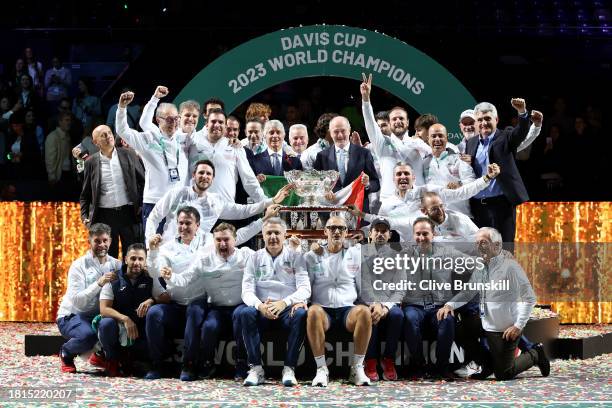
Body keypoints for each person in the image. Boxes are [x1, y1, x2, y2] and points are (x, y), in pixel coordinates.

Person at [440, 227, 550, 380]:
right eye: (477, 243)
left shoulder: (511, 267)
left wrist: (518, 326)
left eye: (483, 243)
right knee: (458, 330)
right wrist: (450, 305)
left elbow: (530, 298)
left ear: (496, 245)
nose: (479, 247)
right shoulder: (481, 267)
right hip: (486, 321)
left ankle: (535, 354)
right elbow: (468, 292)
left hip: (505, 328)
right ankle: (487, 364)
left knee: (504, 374)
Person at [161, 222, 260, 380]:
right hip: (217, 307)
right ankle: (207, 363)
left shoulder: (246, 254)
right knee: (209, 326)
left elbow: (265, 261)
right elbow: (185, 279)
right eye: (218, 240)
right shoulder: (204, 259)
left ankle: (242, 364)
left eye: (226, 239)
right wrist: (170, 276)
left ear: (235, 239)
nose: (222, 244)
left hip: (240, 305)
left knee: (241, 318)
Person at [144, 159, 291, 244]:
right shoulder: (178, 193)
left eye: (209, 174)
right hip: (169, 249)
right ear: (194, 175)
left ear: (213, 178)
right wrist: (150, 239)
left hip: (197, 253)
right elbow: (154, 216)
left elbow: (243, 211)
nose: (205, 176)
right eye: (201, 172)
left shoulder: (215, 201)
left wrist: (270, 201)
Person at [239, 217, 310, 387]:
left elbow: (305, 289)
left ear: (285, 235)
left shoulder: (296, 257)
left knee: (301, 314)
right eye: (268, 233)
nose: (273, 237)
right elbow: (246, 291)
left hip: (286, 308)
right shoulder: (254, 258)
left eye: (277, 233)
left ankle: (289, 368)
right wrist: (260, 306)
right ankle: (256, 368)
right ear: (262, 235)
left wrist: (284, 303)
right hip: (262, 308)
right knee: (246, 312)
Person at [304, 216, 373, 386]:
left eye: (341, 228)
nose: (336, 231)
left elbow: (363, 286)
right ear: (325, 231)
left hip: (347, 309)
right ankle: (321, 369)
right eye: (332, 228)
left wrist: (375, 303)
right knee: (312, 311)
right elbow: (306, 285)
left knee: (364, 311)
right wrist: (302, 302)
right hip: (322, 309)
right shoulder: (312, 256)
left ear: (346, 232)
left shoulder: (355, 254)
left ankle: (357, 368)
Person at [144, 206, 210, 380]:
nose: (184, 227)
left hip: (199, 301)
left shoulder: (208, 242)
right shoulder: (167, 247)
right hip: (175, 303)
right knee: (154, 314)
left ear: (198, 225)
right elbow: (153, 273)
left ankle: (189, 365)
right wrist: (152, 252)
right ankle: (157, 363)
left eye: (188, 223)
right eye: (180, 223)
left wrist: (173, 276)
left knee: (195, 311)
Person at [115, 90, 189, 229]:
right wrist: (122, 108)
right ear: (158, 120)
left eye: (175, 118)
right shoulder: (148, 139)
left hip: (179, 205)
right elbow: (122, 130)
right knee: (154, 247)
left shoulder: (184, 139)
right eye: (168, 119)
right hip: (155, 202)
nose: (173, 123)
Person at [467, 99, 536, 243]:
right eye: (480, 120)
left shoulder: (505, 136)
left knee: (505, 249)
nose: (483, 123)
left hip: (502, 205)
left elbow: (521, 131)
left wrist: (522, 113)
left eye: (487, 119)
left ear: (496, 119)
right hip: (478, 207)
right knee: (482, 252)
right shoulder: (471, 142)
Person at [56, 223, 121, 373]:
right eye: (97, 241)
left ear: (110, 241)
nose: (102, 245)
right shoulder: (78, 266)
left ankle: (103, 356)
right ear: (89, 242)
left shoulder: (117, 265)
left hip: (99, 316)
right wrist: (99, 283)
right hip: (72, 316)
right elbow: (77, 302)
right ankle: (66, 353)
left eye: (105, 241)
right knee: (88, 335)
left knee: (110, 325)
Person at [98, 243, 168, 376]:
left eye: (141, 259)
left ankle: (140, 361)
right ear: (125, 259)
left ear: (145, 261)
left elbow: (166, 298)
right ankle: (112, 359)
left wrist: (151, 300)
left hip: (141, 330)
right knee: (105, 324)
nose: (137, 262)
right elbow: (104, 309)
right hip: (120, 328)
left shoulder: (150, 278)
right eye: (133, 258)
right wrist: (125, 319)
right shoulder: (113, 278)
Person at [80, 124, 145, 259]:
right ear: (95, 142)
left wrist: (142, 205)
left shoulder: (129, 154)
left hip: (129, 213)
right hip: (104, 216)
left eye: (109, 133)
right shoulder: (91, 162)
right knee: (109, 258)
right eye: (103, 135)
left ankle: (132, 281)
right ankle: (111, 281)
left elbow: (143, 181)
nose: (108, 136)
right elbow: (85, 194)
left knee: (133, 255)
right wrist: (84, 216)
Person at [360, 73, 426, 198]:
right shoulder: (382, 144)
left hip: (417, 203)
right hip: (390, 204)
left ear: (407, 122)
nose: (398, 121)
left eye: (401, 118)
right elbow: (370, 124)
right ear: (389, 123)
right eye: (394, 119)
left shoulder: (419, 144)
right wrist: (366, 99)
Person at [361, 218, 405, 382]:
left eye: (383, 231)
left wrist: (385, 307)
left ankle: (388, 359)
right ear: (370, 233)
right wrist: (375, 304)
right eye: (376, 230)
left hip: (389, 303)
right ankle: (370, 360)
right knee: (369, 314)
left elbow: (401, 287)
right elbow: (362, 284)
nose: (380, 234)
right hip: (367, 301)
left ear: (389, 235)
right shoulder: (359, 253)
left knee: (397, 315)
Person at [313, 115, 379, 213]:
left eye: (343, 131)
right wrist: (323, 191)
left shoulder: (364, 153)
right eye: (336, 132)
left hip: (358, 210)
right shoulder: (322, 156)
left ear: (349, 130)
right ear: (330, 133)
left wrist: (367, 183)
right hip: (331, 212)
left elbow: (376, 183)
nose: (340, 135)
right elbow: (314, 183)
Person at [423, 123, 476, 216]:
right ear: (428, 139)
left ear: (446, 138)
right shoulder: (424, 163)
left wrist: (459, 184)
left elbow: (471, 182)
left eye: (440, 136)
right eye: (433, 136)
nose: (437, 139)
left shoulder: (459, 159)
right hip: (435, 217)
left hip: (459, 214)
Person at [45, 111, 76, 199]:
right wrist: (52, 176)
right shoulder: (53, 137)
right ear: (60, 122)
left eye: (70, 120)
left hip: (67, 173)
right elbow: (50, 159)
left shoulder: (67, 136)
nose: (69, 122)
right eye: (66, 120)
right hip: (59, 176)